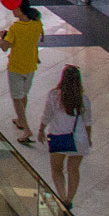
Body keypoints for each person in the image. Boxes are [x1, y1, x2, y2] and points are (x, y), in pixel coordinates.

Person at [38, 65, 92, 206]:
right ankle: (69, 198)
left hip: (58, 137)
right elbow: (88, 122)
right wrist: (89, 138)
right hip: (78, 139)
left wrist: (41, 129)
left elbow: (47, 115)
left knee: (57, 169)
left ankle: (62, 197)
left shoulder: (54, 96)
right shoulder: (83, 100)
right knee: (73, 170)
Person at [0, 3, 44, 145]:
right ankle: (20, 120)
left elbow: (5, 47)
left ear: (20, 10)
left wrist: (0, 37)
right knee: (23, 95)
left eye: (14, 8)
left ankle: (27, 129)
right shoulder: (37, 23)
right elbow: (36, 40)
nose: (12, 10)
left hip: (16, 67)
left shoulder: (15, 27)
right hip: (30, 66)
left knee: (17, 98)